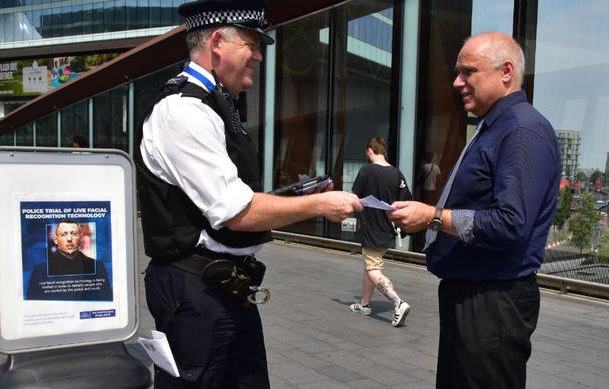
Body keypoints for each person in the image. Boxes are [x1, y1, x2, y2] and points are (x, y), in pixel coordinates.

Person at [136, 1, 362, 387]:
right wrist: (318, 203)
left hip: (226, 288)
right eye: (252, 43)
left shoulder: (215, 105)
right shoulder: (184, 111)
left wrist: (286, 196)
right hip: (196, 292)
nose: (258, 55)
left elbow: (226, 195)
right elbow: (234, 211)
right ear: (219, 42)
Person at [387, 32, 561, 389]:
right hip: (475, 297)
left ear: (506, 72)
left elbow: (510, 223)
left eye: (468, 72)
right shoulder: (496, 127)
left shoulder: (522, 131)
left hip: (491, 302)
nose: (457, 82)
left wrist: (433, 216)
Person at [349, 137, 411, 327]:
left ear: (369, 151)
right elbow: (406, 200)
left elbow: (354, 197)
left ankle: (397, 303)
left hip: (371, 228)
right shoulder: (396, 173)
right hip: (387, 229)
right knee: (371, 265)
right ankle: (365, 303)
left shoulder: (366, 171)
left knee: (373, 268)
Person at [26, 220, 112, 301]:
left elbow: (106, 300)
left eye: (74, 234)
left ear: (80, 238)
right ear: (56, 240)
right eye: (64, 234)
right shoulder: (40, 272)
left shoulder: (97, 267)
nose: (69, 239)